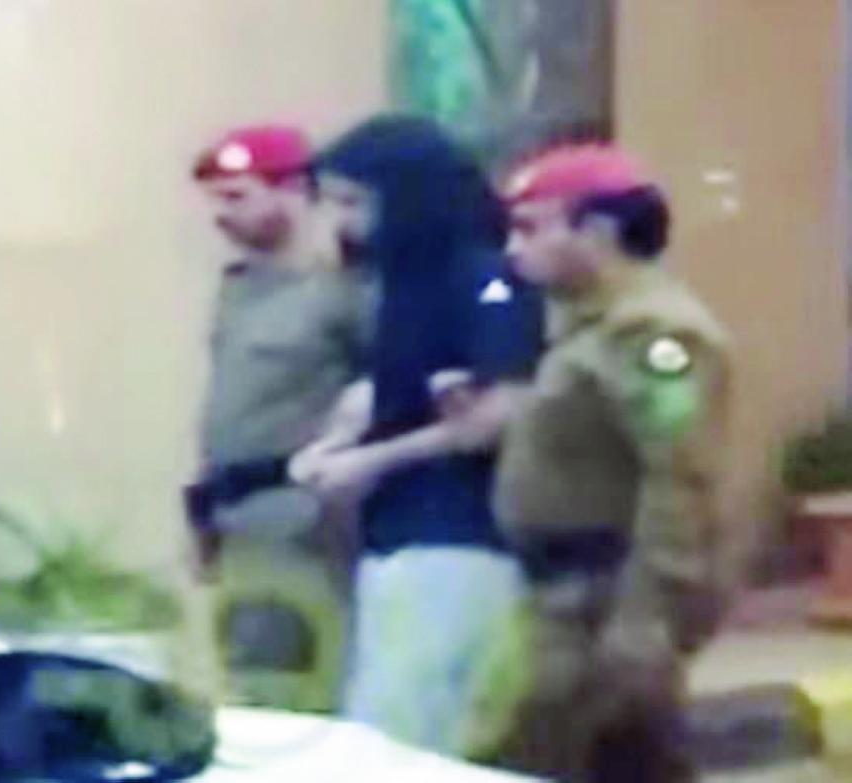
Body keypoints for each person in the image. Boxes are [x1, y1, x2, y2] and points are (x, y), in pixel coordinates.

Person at [291, 115, 544, 755]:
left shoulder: (486, 276)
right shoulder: (405, 283)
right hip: (396, 533)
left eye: (354, 202)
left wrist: (372, 460)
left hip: (458, 536)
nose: (343, 222)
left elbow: (499, 411)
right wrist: (337, 443)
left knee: (403, 736)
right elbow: (392, 388)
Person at [492, 143, 733, 782]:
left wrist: (648, 620)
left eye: (530, 228)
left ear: (596, 230)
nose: (513, 250)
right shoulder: (590, 328)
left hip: (606, 593)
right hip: (565, 595)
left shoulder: (658, 337)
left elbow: (681, 477)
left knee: (597, 756)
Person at [187, 125, 374, 708]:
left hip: (302, 523)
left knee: (294, 698)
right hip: (233, 518)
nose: (222, 215)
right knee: (246, 691)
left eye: (237, 197)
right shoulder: (237, 290)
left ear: (294, 191)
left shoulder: (344, 293)